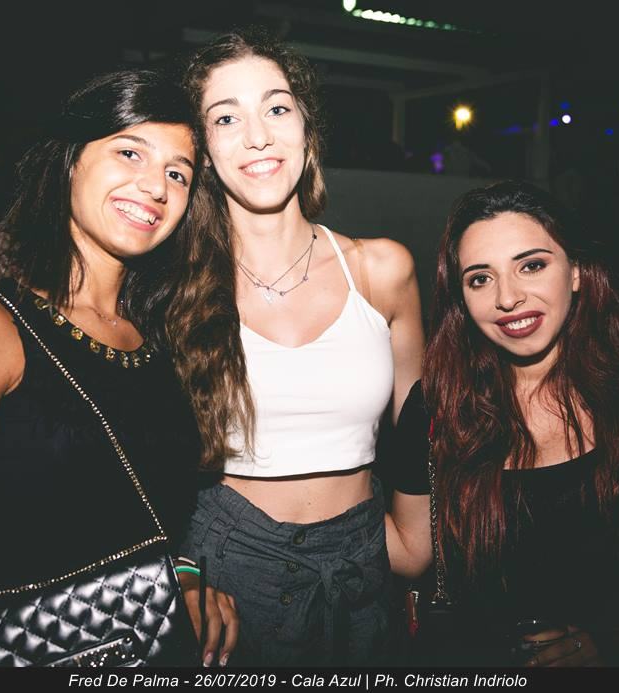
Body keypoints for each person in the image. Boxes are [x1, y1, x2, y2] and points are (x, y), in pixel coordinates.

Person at [0, 69, 237, 664]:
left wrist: (183, 577)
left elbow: (151, 510)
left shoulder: (165, 335)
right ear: (70, 162)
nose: (155, 186)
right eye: (129, 152)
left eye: (177, 173)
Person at [170, 27, 430, 666]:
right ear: (203, 151)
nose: (258, 136)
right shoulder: (172, 291)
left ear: (306, 129)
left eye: (277, 108)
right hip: (227, 570)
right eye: (226, 118)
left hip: (365, 561)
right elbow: (136, 462)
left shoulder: (382, 269)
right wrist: (182, 572)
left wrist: (415, 543)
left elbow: (420, 430)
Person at [394, 180, 619, 665]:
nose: (508, 298)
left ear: (576, 272)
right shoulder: (436, 407)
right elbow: (409, 552)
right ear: (460, 297)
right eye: (480, 278)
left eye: (531, 265)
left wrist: (616, 644)